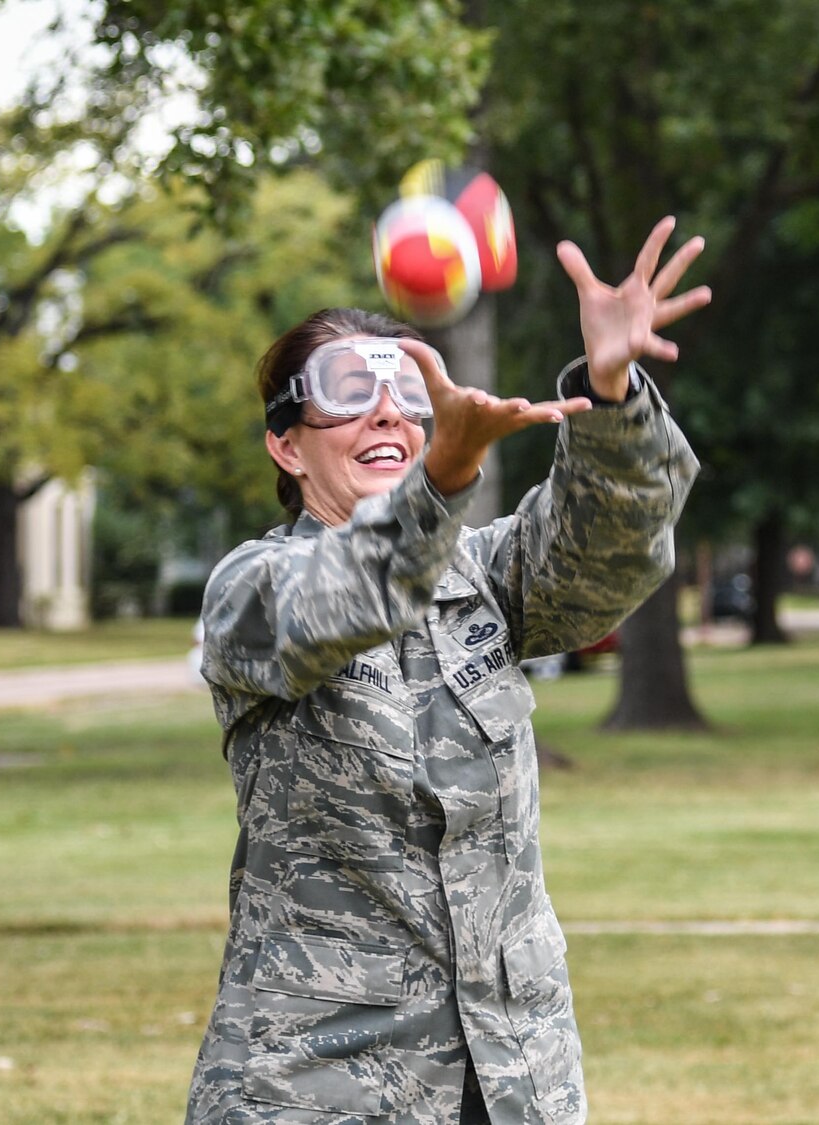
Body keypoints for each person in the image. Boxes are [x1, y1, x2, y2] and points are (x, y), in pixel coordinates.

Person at [186, 219, 708, 1125]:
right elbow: (342, 603)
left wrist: (611, 391)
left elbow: (611, 556)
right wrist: (447, 472)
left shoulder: (486, 579)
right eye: (351, 391)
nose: (389, 411)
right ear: (286, 444)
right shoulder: (250, 591)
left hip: (510, 1082)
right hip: (319, 1089)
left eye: (407, 388)